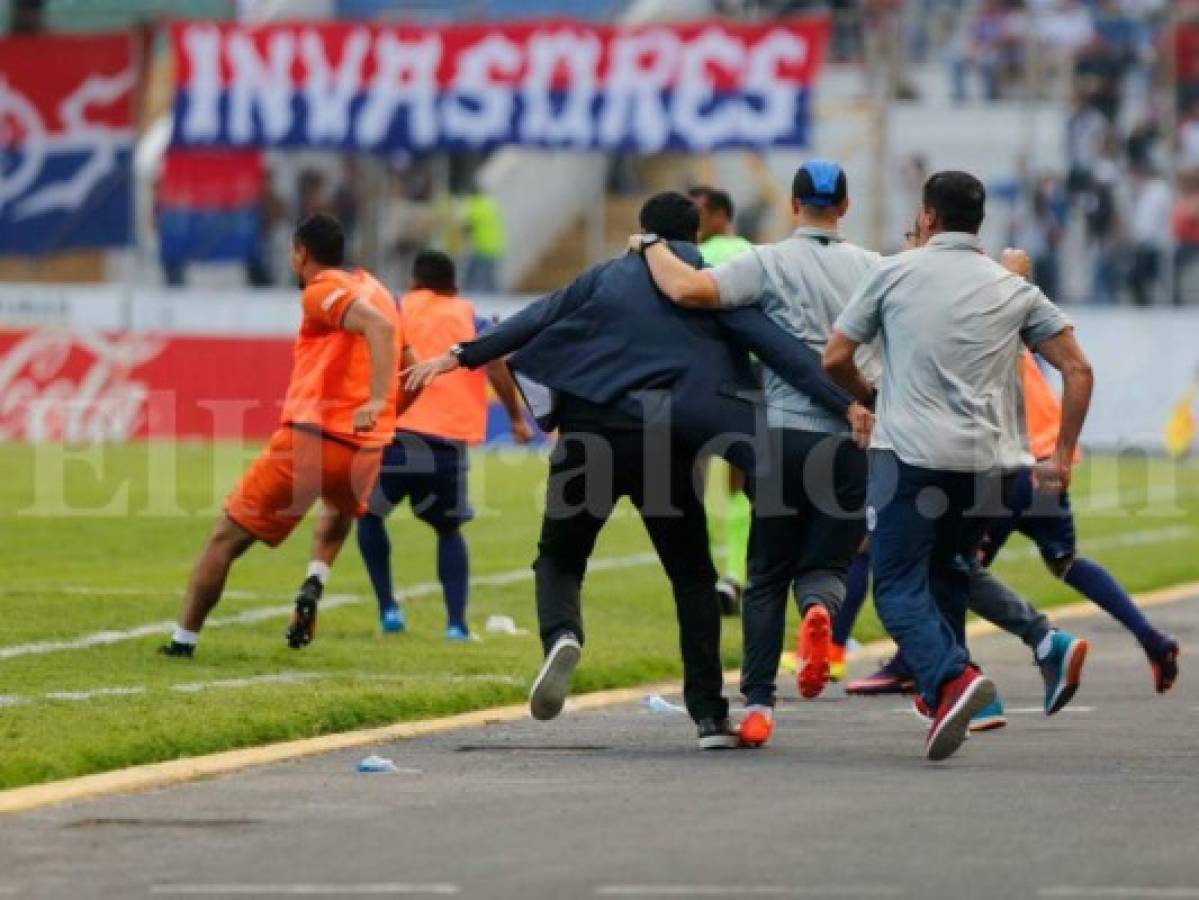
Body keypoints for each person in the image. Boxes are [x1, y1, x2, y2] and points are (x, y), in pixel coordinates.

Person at [406, 191, 866, 750]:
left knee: (559, 559)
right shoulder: (710, 286)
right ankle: (708, 718)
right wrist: (843, 403)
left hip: (589, 435)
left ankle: (563, 634)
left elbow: (534, 318)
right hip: (664, 445)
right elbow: (782, 350)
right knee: (693, 580)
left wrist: (456, 356)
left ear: (643, 234)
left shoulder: (604, 278)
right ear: (693, 237)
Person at [823, 170, 1095, 761]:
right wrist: (1062, 455)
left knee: (895, 583)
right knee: (949, 567)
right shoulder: (1011, 286)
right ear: (980, 222)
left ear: (926, 218)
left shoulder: (894, 271)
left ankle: (951, 680)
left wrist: (868, 396)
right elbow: (1078, 369)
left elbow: (836, 356)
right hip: (989, 465)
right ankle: (1043, 643)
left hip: (911, 456)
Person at [638, 162, 879, 748]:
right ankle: (819, 612)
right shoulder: (876, 269)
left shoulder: (768, 261)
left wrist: (649, 246)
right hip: (853, 434)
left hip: (781, 433)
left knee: (767, 575)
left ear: (794, 205)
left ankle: (760, 706)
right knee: (827, 565)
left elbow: (689, 288)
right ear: (844, 207)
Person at [160, 214, 402, 657]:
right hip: (364, 450)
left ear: (301, 253)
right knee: (337, 515)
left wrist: (376, 399)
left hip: (312, 438)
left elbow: (378, 330)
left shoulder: (321, 291)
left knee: (224, 540)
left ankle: (182, 642)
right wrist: (382, 416)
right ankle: (315, 579)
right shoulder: (381, 292)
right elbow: (411, 359)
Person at [356, 251, 534, 640]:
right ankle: (456, 625)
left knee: (369, 516)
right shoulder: (470, 315)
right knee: (448, 530)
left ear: (415, 281)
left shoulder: (399, 308)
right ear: (454, 285)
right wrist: (517, 418)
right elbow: (496, 364)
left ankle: (388, 609)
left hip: (398, 437)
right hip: (447, 446)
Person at [688, 185, 756, 614]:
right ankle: (737, 575)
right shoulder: (755, 253)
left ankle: (705, 575)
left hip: (703, 375)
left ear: (717, 215)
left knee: (688, 476)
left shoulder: (696, 258)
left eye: (697, 212)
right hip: (751, 376)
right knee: (740, 481)